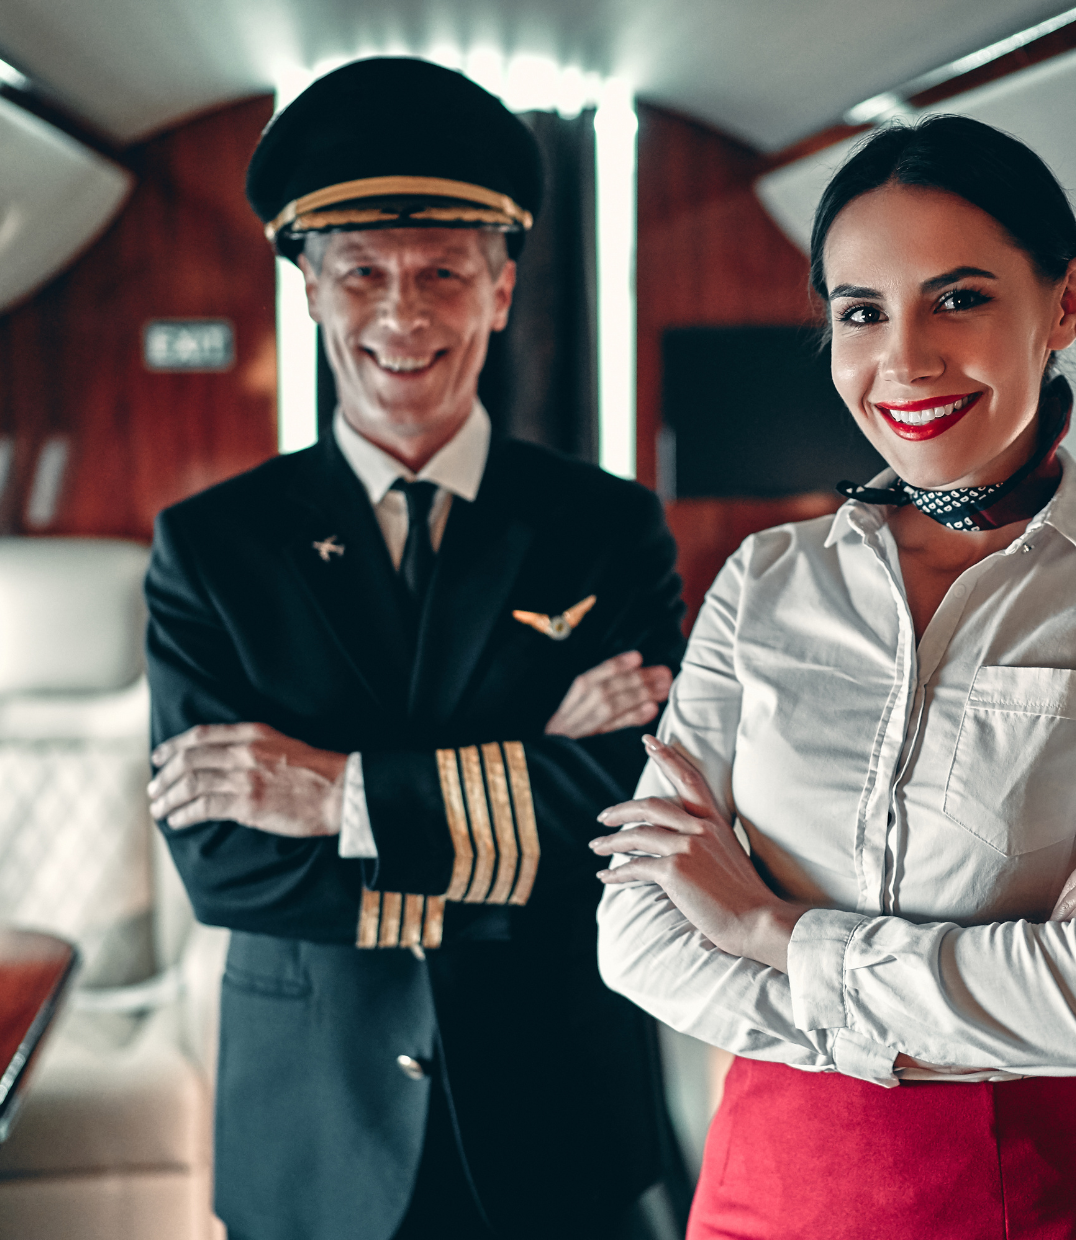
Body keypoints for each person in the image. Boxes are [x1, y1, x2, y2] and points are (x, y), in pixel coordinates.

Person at [593, 115, 1076, 1239]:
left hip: (1020, 1200)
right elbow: (636, 938)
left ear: (1065, 303)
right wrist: (999, 978)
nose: (903, 360)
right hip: (761, 1192)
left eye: (958, 299)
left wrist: (764, 926)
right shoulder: (760, 581)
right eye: (860, 313)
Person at [144, 58, 686, 1240]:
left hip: (557, 1104)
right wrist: (516, 787)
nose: (404, 313)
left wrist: (334, 790)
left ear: (500, 291)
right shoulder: (210, 548)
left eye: (445, 270)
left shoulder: (608, 528)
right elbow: (223, 865)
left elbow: (629, 821)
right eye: (362, 274)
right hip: (312, 1116)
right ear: (309, 294)